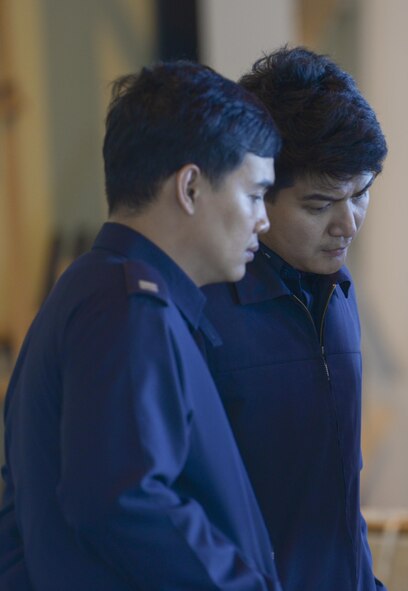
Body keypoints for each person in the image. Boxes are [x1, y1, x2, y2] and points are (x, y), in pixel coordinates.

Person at [0, 61, 283, 590]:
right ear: (191, 187)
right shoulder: (128, 308)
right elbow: (121, 499)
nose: (263, 219)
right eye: (254, 194)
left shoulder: (92, 289)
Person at [201, 46, 388, 590]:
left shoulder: (338, 292)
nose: (348, 224)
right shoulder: (201, 311)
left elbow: (338, 501)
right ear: (258, 192)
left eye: (362, 194)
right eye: (319, 205)